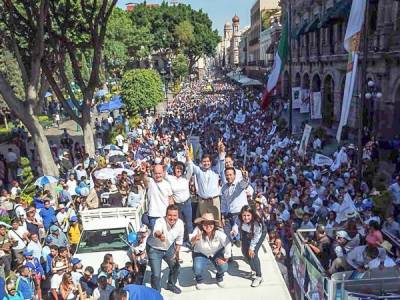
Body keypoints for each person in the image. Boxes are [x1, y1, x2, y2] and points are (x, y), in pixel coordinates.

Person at [146, 204, 183, 294]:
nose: (172, 218)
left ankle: (171, 284)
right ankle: (156, 292)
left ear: (178, 215)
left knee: (176, 267)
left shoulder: (180, 223)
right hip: (154, 249)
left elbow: (179, 240)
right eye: (169, 215)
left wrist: (176, 253)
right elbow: (156, 231)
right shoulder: (160, 221)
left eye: (175, 215)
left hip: (168, 248)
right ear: (166, 215)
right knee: (156, 275)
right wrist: (160, 236)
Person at [190, 211, 231, 290]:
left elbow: (227, 243)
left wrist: (226, 258)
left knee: (224, 267)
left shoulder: (219, 232)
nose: (208, 226)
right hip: (200, 253)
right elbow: (190, 240)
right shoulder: (198, 230)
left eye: (210, 223)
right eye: (205, 223)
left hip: (216, 253)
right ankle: (199, 279)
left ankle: (219, 277)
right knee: (197, 268)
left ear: (214, 224)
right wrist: (195, 239)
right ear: (202, 224)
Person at [232, 205, 267, 287]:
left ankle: (259, 276)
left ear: (252, 215)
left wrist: (251, 248)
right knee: (244, 252)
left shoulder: (256, 223)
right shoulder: (238, 218)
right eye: (244, 215)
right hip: (245, 231)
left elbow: (256, 237)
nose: (246, 217)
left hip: (258, 234)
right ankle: (254, 270)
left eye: (248, 215)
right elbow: (236, 224)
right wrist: (234, 230)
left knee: (253, 254)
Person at [186, 151, 221, 220]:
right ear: (201, 162)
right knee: (204, 221)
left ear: (211, 162)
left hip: (214, 200)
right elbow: (191, 164)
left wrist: (221, 151)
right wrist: (187, 155)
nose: (206, 163)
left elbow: (221, 162)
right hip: (203, 201)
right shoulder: (199, 171)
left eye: (208, 161)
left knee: (216, 221)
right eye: (204, 161)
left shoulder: (215, 171)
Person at [165, 161, 193, 245]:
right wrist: (166, 164)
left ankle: (191, 241)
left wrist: (188, 158)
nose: (179, 170)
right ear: (174, 169)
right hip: (177, 205)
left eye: (181, 168)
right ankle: (180, 241)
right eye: (177, 168)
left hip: (187, 204)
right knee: (179, 224)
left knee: (189, 224)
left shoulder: (186, 178)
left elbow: (191, 168)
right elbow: (164, 173)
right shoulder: (170, 178)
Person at [221, 167, 249, 244]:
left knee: (236, 231)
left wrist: (245, 177)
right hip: (229, 214)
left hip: (240, 214)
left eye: (230, 175)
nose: (228, 177)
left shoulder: (238, 185)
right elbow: (223, 203)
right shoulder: (224, 188)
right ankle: (234, 240)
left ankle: (237, 238)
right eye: (227, 175)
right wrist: (222, 216)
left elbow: (244, 183)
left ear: (234, 175)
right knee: (226, 233)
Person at [143, 164, 173, 230]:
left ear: (163, 173)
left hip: (165, 215)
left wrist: (172, 213)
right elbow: (144, 179)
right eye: (156, 173)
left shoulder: (167, 184)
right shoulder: (150, 182)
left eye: (159, 173)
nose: (158, 175)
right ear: (153, 173)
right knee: (156, 238)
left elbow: (170, 199)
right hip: (153, 215)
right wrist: (144, 172)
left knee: (167, 236)